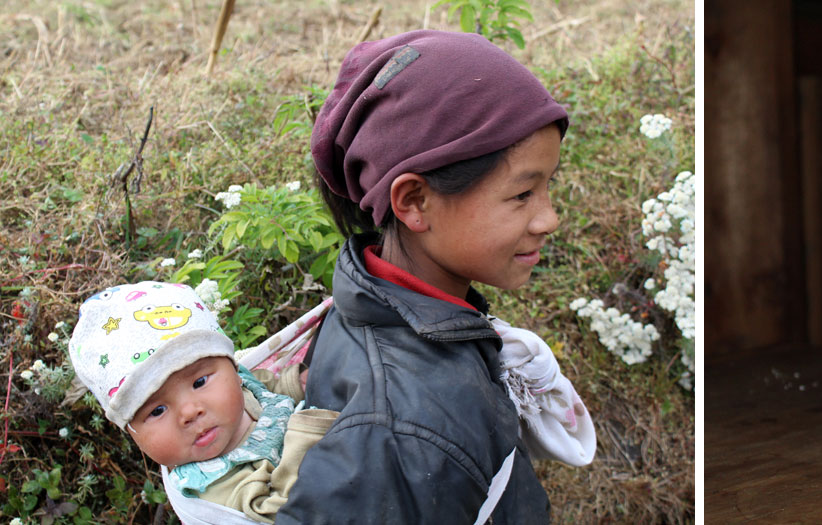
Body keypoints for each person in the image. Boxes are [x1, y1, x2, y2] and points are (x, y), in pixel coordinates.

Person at [276, 30, 592, 523]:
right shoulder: (402, 429)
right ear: (415, 202)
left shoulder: (371, 298)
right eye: (522, 194)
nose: (549, 219)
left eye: (547, 185)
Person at [66, 281, 337, 524]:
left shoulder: (239, 387)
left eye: (199, 382)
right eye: (157, 410)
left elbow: (263, 388)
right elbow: (282, 513)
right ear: (131, 431)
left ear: (232, 368)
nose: (190, 412)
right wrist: (306, 435)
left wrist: (294, 383)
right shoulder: (213, 483)